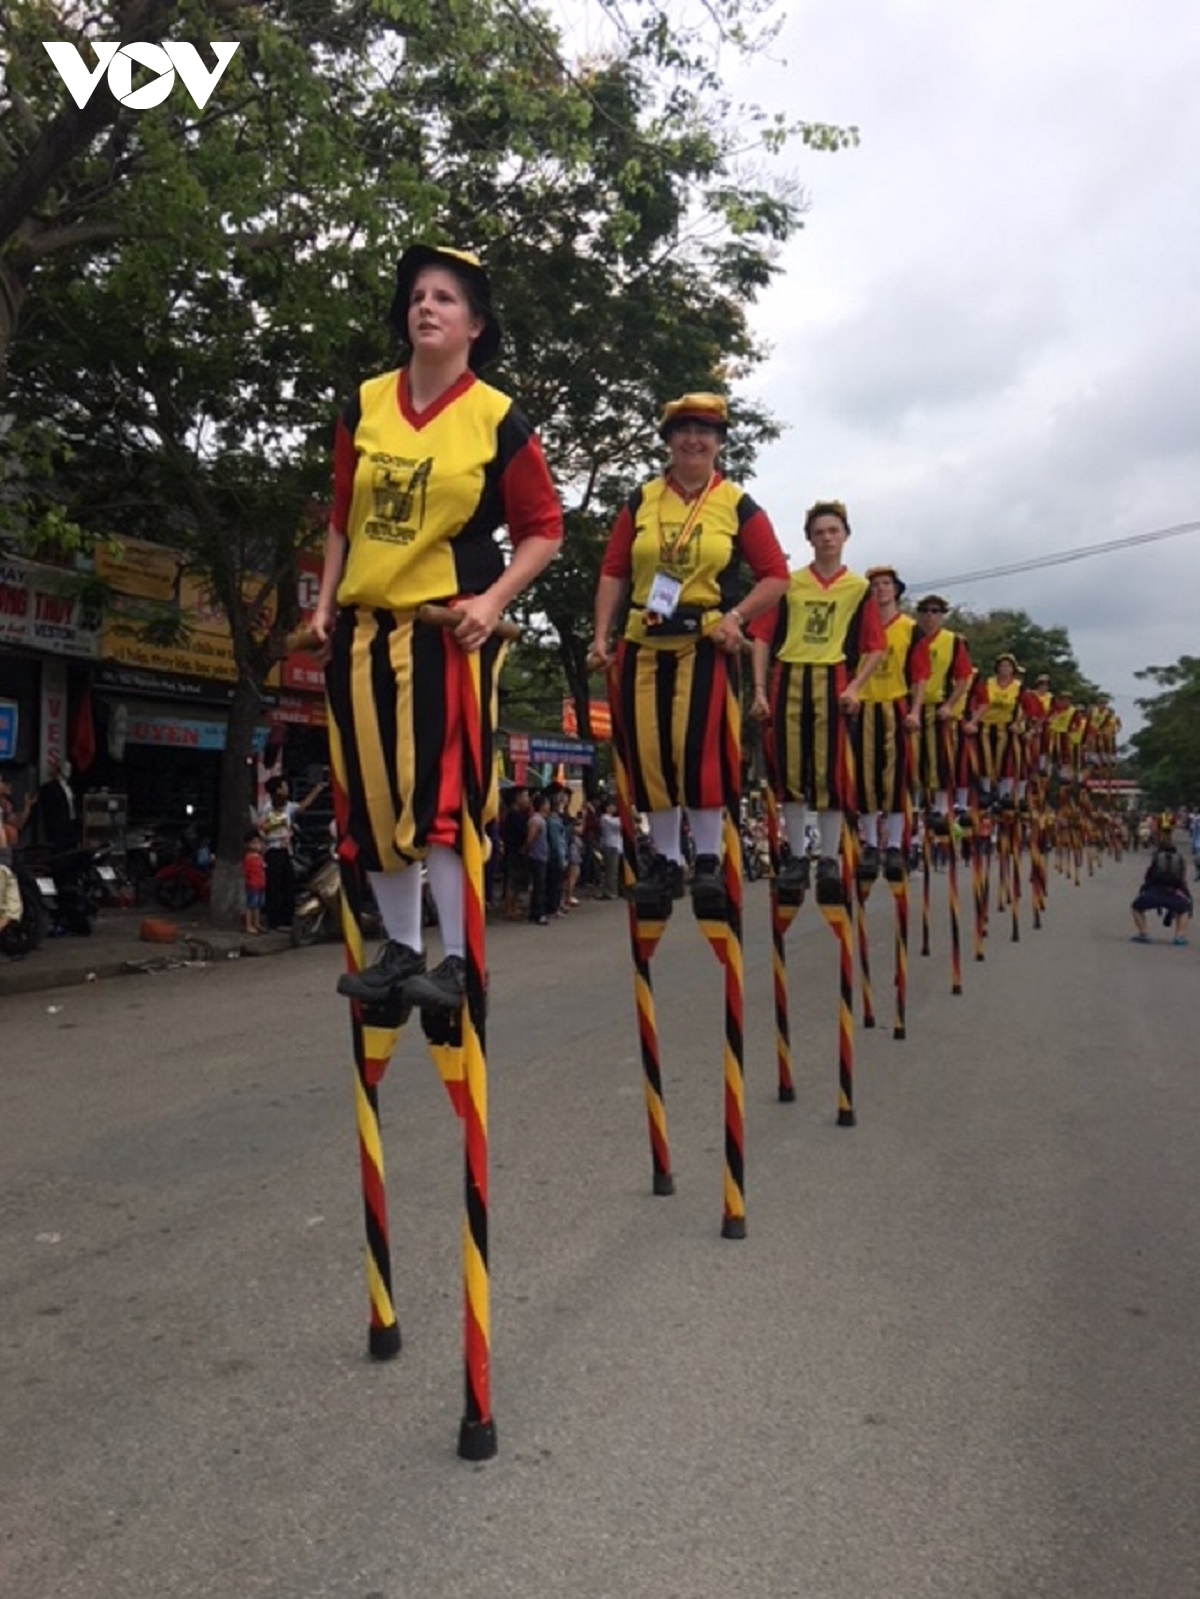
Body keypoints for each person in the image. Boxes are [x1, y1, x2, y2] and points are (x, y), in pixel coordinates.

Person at [312, 243, 562, 1010]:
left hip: (444, 629)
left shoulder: (495, 417)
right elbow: (341, 515)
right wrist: (324, 602)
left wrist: (493, 603)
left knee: (441, 795)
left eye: (446, 298)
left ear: (475, 324)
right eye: (418, 295)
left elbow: (544, 528)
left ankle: (458, 959)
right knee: (374, 796)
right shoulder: (365, 402)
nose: (427, 306)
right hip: (361, 630)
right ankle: (399, 948)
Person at [591, 392, 788, 917]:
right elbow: (613, 570)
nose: (693, 440)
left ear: (720, 443)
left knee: (700, 747)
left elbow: (775, 575)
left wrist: (735, 618)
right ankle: (666, 861)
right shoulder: (642, 499)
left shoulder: (737, 504)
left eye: (705, 431)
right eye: (683, 431)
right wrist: (600, 636)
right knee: (649, 751)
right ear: (669, 442)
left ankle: (707, 859)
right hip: (644, 640)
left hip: (704, 641)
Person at [749, 500, 885, 907]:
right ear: (809, 539)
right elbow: (761, 638)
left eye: (834, 531)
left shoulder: (859, 589)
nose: (827, 538)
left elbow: (875, 647)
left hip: (832, 678)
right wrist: (758, 689)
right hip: (788, 677)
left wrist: (856, 687)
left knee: (828, 773)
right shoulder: (789, 584)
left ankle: (828, 857)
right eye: (819, 532)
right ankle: (795, 856)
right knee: (789, 769)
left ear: (845, 536)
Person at [854, 565, 921, 883]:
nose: (880, 589)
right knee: (864, 776)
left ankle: (894, 845)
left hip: (895, 704)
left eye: (885, 584)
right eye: (875, 585)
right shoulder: (858, 626)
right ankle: (869, 843)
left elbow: (919, 672)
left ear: (896, 589)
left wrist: (915, 710)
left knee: (894, 776)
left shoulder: (909, 628)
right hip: (863, 705)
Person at [904, 594, 974, 831]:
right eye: (925, 610)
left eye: (935, 611)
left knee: (941, 758)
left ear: (943, 615)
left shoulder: (953, 642)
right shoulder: (910, 636)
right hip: (910, 705)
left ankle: (941, 809)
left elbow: (963, 677)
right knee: (910, 757)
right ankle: (912, 807)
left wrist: (950, 705)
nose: (930, 616)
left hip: (937, 707)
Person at [258, 774, 326, 931]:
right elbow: (262, 829)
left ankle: (287, 919)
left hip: (285, 851)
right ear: (278, 790)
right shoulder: (268, 809)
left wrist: (317, 790)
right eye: (284, 786)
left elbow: (302, 806)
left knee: (287, 884)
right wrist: (276, 836)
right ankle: (275, 921)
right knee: (275, 886)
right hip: (273, 851)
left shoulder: (287, 806)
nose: (287, 789)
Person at [1130, 834, 1192, 945]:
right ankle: (1179, 936)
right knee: (1184, 910)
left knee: (1136, 907)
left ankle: (1143, 933)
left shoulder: (1157, 858)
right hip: (1174, 894)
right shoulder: (1180, 860)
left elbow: (1148, 877)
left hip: (1154, 892)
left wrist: (1144, 890)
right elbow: (1182, 880)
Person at [36, 754, 78, 853]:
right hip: (57, 828)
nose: (68, 771)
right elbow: (47, 811)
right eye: (66, 768)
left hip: (71, 823)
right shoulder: (49, 788)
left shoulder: (71, 787)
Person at [501, 786, 532, 920]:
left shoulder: (518, 814)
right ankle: (509, 909)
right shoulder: (513, 815)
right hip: (514, 852)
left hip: (516, 851)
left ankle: (513, 908)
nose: (527, 800)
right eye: (525, 796)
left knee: (516, 881)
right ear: (517, 798)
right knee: (512, 882)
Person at [524, 791, 550, 925]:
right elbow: (530, 838)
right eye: (546, 803)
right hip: (537, 856)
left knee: (539, 885)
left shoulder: (541, 819)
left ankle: (534, 913)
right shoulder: (537, 820)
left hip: (541, 855)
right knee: (539, 885)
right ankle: (538, 913)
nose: (548, 806)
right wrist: (527, 850)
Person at [242, 828, 266, 935]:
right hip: (252, 885)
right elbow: (245, 872)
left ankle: (256, 923)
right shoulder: (248, 858)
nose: (257, 845)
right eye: (253, 843)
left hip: (260, 884)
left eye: (258, 842)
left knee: (258, 905)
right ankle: (249, 925)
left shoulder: (259, 857)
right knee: (251, 905)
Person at [598, 798, 623, 898]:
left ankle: (613, 890)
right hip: (610, 846)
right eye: (612, 806)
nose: (614, 808)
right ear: (607, 808)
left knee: (614, 870)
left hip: (616, 846)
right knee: (611, 871)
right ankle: (610, 891)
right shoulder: (605, 818)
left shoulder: (612, 818)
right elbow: (618, 824)